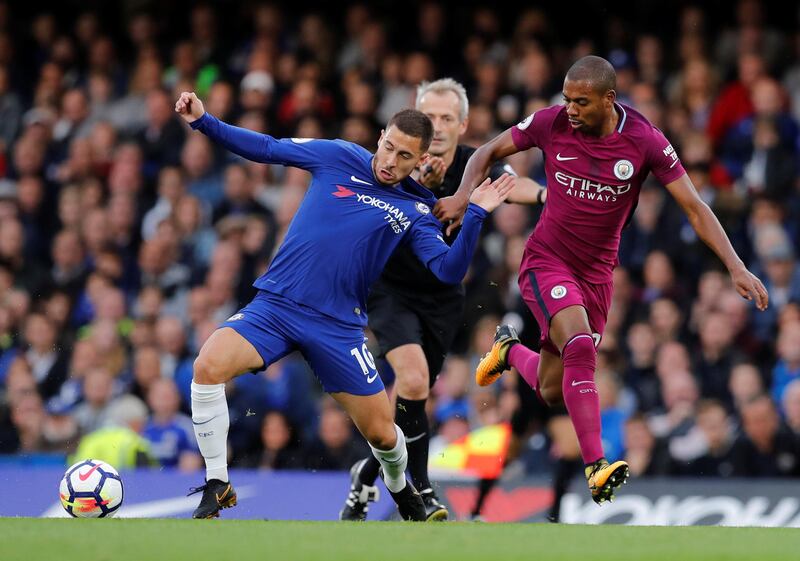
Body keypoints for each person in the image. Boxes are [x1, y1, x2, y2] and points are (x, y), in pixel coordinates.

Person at [444, 55, 769, 504]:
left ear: (609, 99)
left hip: (596, 280)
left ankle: (508, 349)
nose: (571, 109)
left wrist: (735, 265)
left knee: (553, 389)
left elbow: (694, 206)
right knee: (578, 345)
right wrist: (463, 197)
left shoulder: (645, 141)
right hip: (545, 261)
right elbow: (485, 152)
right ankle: (597, 466)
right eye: (567, 99)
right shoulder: (549, 123)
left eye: (581, 101)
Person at [174, 91, 515, 519]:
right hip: (277, 306)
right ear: (380, 137)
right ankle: (218, 483)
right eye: (388, 147)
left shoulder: (417, 209)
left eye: (404, 155)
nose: (390, 160)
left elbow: (447, 271)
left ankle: (398, 486)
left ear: (421, 159)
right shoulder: (338, 155)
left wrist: (478, 215)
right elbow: (267, 147)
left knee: (385, 436)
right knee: (207, 366)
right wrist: (204, 121)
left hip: (337, 328)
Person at [341, 78, 545, 522]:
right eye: (429, 116)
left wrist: (548, 196)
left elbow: (517, 185)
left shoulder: (475, 163)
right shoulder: (395, 163)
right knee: (411, 381)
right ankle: (423, 491)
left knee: (413, 403)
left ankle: (367, 471)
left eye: (447, 118)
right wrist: (415, 183)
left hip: (443, 297)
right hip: (390, 289)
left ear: (463, 124)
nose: (436, 125)